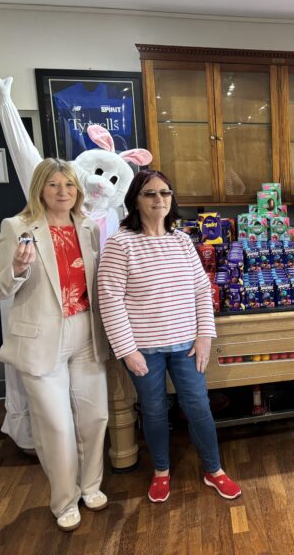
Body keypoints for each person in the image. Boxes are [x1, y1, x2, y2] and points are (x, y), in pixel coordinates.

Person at [97, 169, 241, 503]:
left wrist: (205, 335)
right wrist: (127, 350)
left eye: (165, 193)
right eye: (150, 193)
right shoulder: (120, 244)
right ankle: (161, 471)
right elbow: (110, 299)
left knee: (199, 407)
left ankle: (213, 470)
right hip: (143, 349)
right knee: (155, 409)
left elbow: (202, 290)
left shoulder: (181, 241)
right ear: (135, 199)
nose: (159, 199)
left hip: (187, 346)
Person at [0, 158, 109, 531]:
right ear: (40, 187)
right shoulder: (17, 226)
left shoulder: (88, 227)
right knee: (56, 427)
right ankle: (64, 499)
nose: (63, 192)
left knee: (94, 417)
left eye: (70, 186)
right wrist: (18, 270)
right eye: (55, 185)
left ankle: (90, 486)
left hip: (86, 333)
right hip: (42, 341)